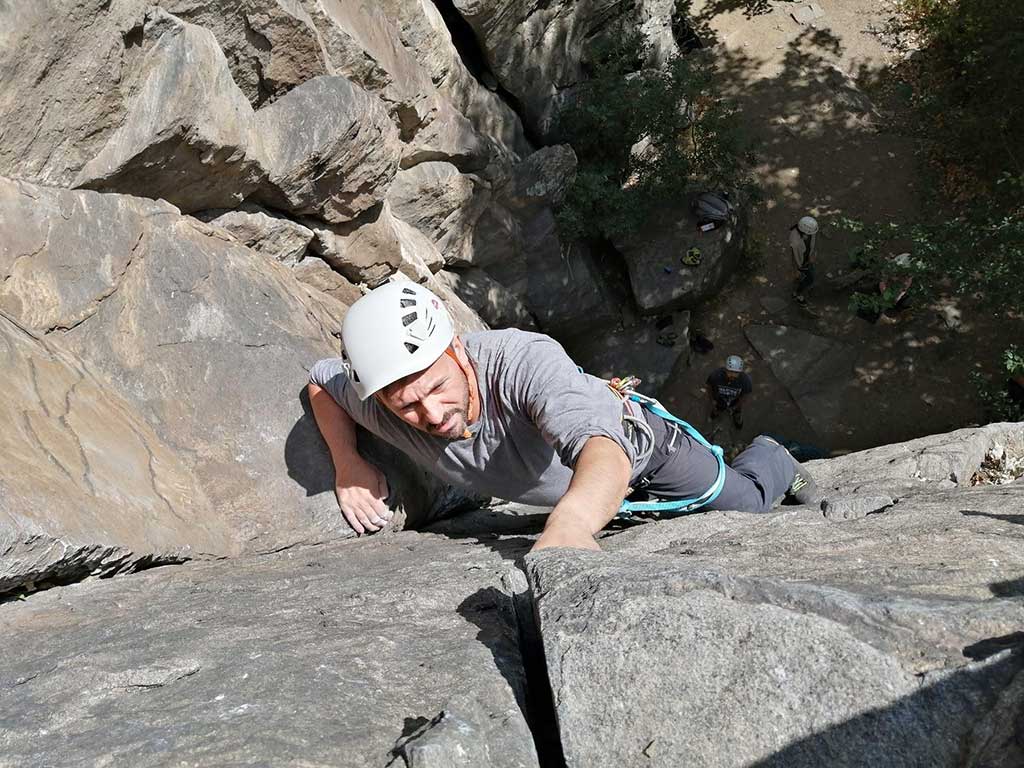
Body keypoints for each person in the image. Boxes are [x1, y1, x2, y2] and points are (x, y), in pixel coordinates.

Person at [307, 282, 820, 552]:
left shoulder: (522, 361)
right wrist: (347, 461)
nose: (430, 414)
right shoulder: (377, 396)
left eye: (437, 387)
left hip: (647, 457)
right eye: (407, 405)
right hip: (586, 493)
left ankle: (772, 455)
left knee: (746, 504)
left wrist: (573, 523)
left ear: (459, 352)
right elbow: (320, 383)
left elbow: (601, 446)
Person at [706, 355, 752, 429]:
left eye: (736, 372)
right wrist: (712, 400)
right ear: (725, 369)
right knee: (717, 408)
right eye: (730, 371)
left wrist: (738, 405)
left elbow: (745, 395)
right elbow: (709, 387)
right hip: (720, 399)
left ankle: (737, 417)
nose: (733, 375)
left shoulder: (745, 380)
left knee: (737, 411)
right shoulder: (716, 376)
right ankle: (715, 413)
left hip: (735, 400)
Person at [789, 215, 818, 304]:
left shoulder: (809, 232)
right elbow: (794, 256)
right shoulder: (795, 241)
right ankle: (797, 293)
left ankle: (799, 285)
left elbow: (811, 243)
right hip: (802, 262)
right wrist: (796, 269)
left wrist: (812, 254)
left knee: (808, 275)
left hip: (807, 257)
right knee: (810, 279)